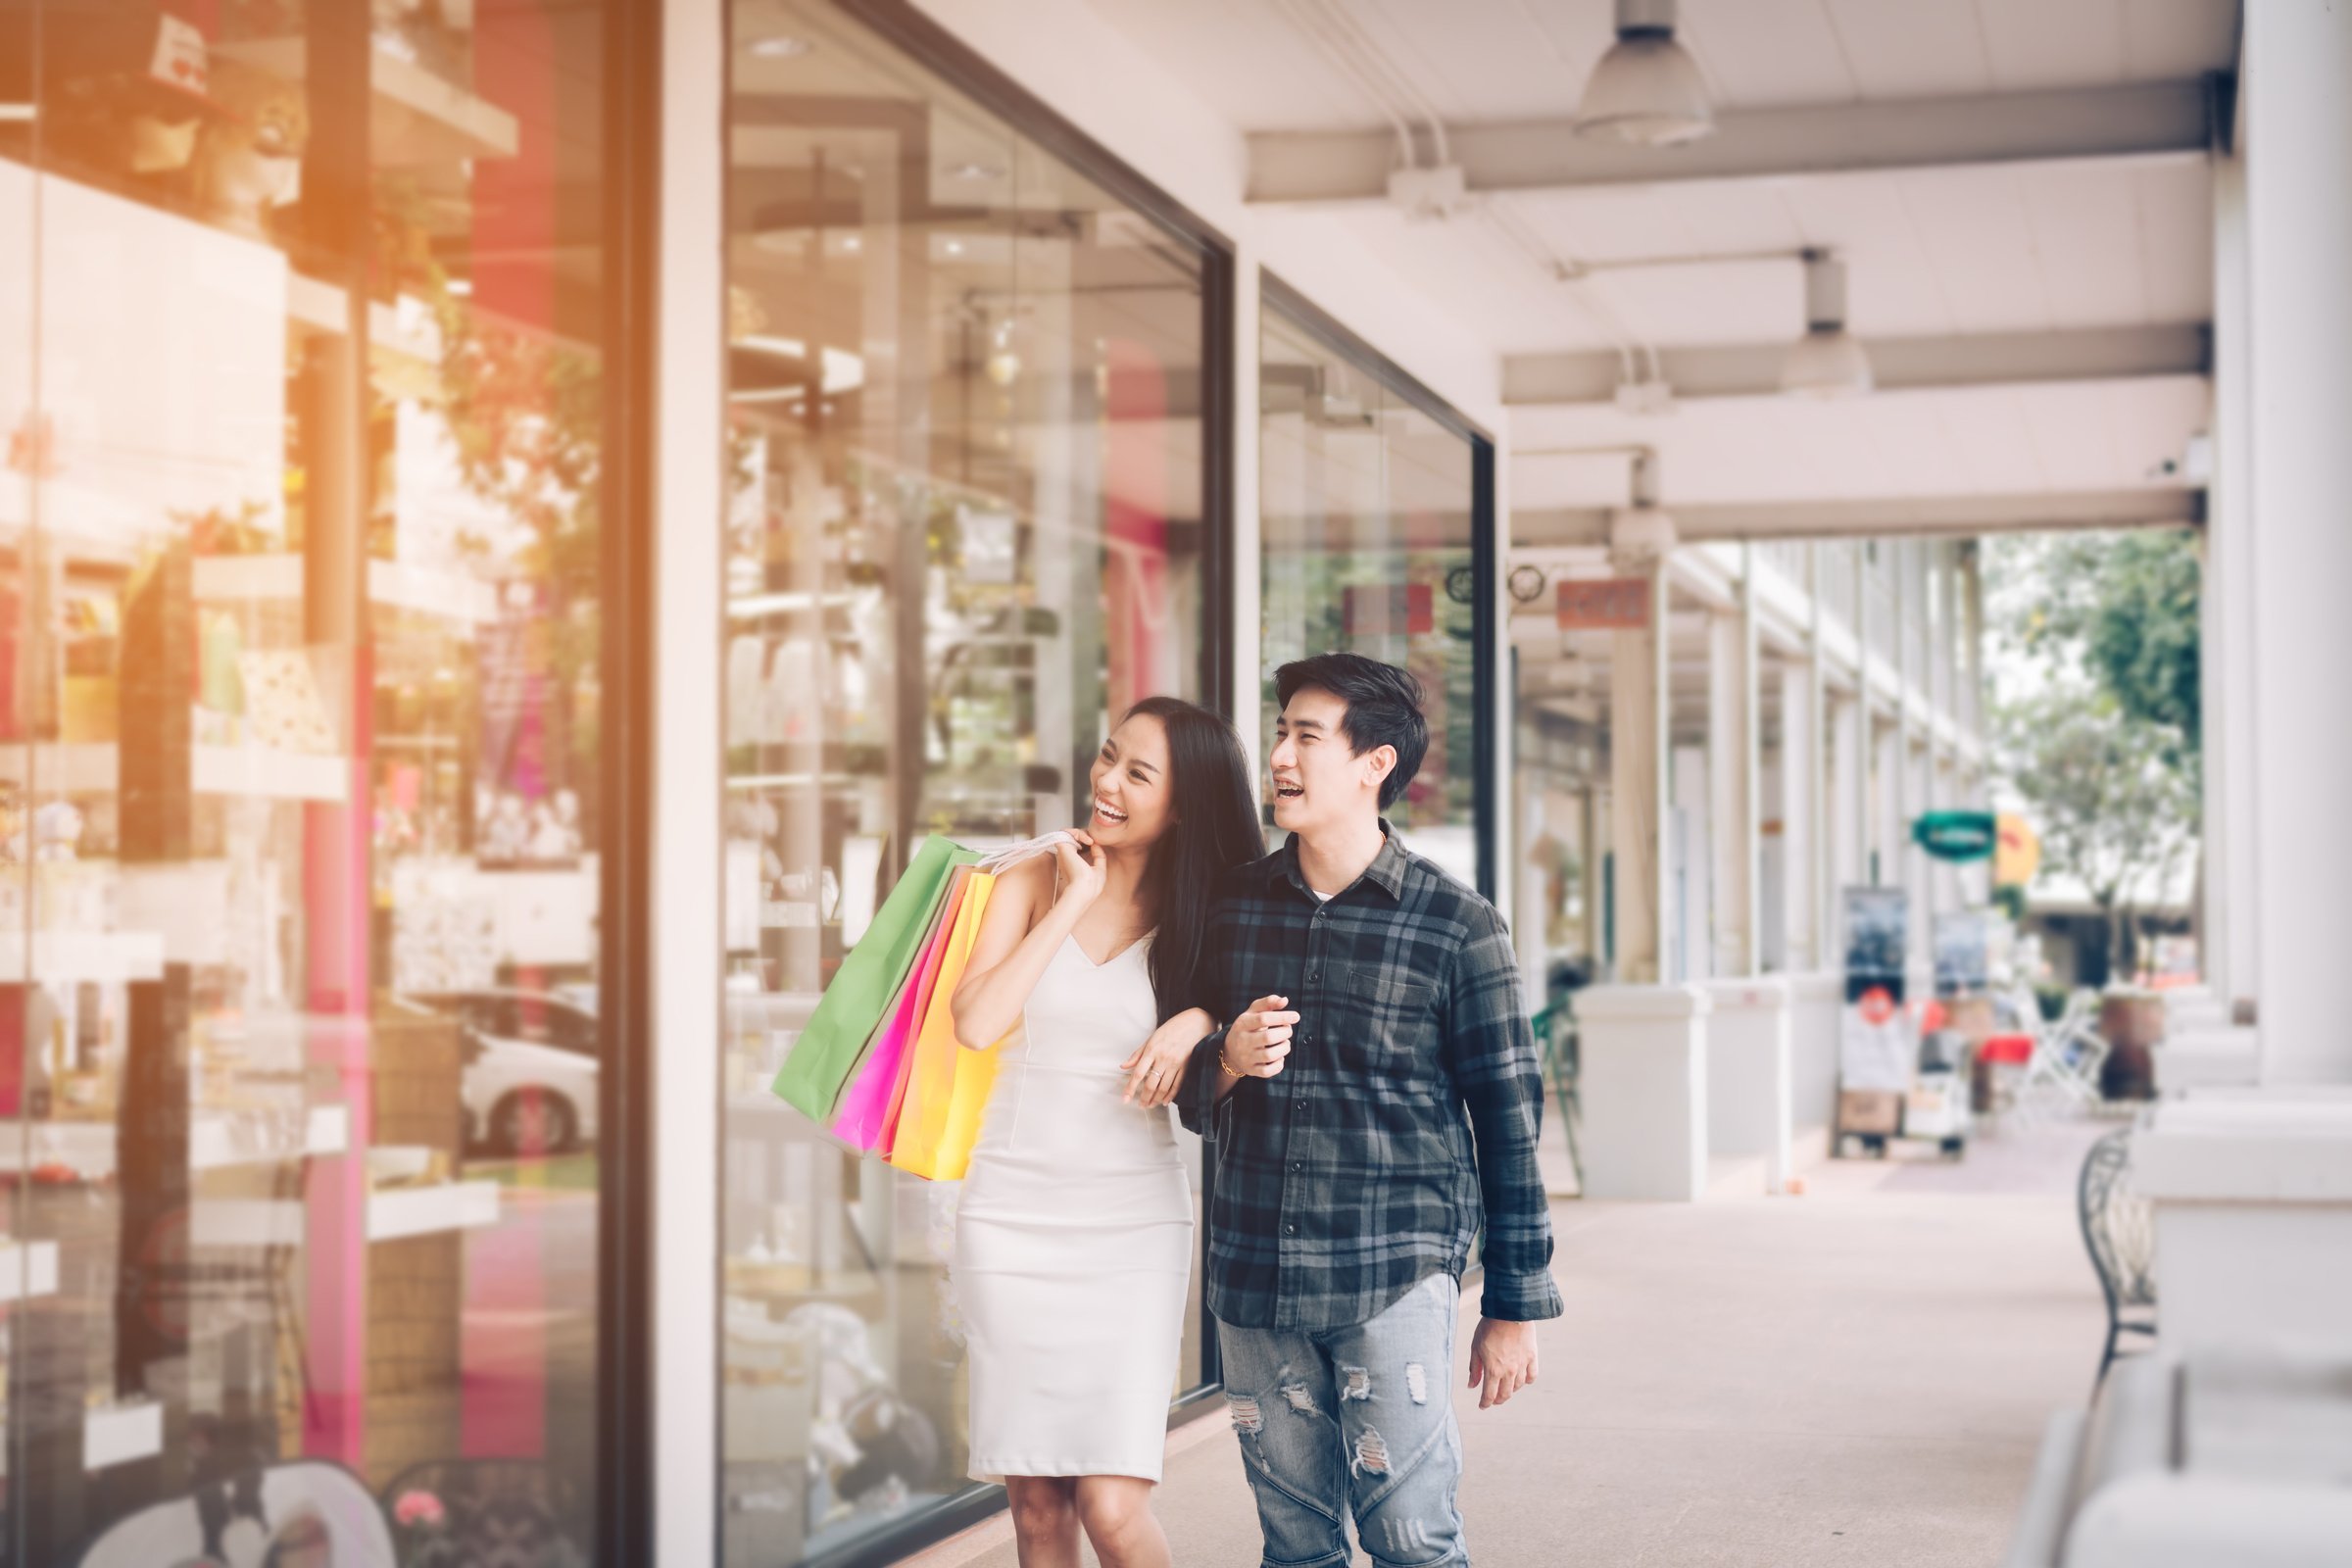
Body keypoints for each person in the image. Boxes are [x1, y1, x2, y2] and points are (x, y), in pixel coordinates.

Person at [1125, 652, 1563, 1568]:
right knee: (1294, 1544)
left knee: (1413, 1539)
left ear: (1376, 765)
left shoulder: (1455, 924)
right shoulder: (1233, 907)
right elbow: (1195, 1087)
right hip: (1255, 1274)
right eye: (1280, 731)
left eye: (1305, 736)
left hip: (1392, 1268)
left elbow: (1509, 1121)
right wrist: (1223, 1059)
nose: (1280, 754)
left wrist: (1514, 1304)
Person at [949, 696, 1262, 1568]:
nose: (1107, 783)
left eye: (1137, 773)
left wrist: (1193, 1017)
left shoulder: (1209, 911)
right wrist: (1071, 895)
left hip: (1131, 1226)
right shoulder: (1031, 878)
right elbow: (975, 1023)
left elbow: (1246, 1019)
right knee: (1039, 1513)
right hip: (1010, 1213)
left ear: (1184, 804)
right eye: (1107, 757)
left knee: (1113, 1508)